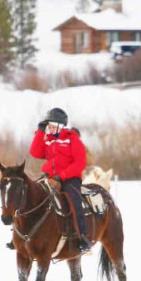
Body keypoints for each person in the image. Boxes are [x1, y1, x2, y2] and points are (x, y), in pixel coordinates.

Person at [29, 108, 92, 253]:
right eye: (47, 126)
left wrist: (62, 176)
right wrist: (40, 132)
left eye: (51, 125)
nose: (49, 128)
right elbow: (34, 152)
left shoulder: (72, 139)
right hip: (50, 177)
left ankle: (82, 236)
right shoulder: (48, 140)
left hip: (70, 179)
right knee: (29, 193)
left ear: (60, 125)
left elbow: (80, 163)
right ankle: (22, 235)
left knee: (74, 199)